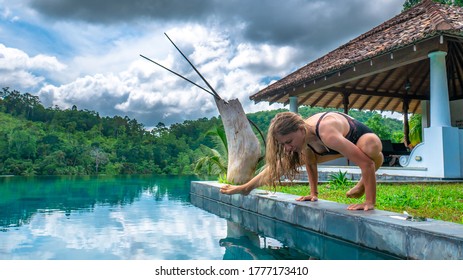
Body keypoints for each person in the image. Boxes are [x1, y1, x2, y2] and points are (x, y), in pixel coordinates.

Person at [220, 111, 383, 211]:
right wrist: (313, 194)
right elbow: (309, 162)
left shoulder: (327, 133)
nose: (287, 147)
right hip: (330, 148)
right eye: (283, 144)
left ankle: (363, 184)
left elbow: (367, 164)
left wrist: (369, 202)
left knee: (370, 148)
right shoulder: (304, 138)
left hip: (360, 139)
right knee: (289, 160)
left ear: (300, 129)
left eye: (289, 142)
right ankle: (246, 188)